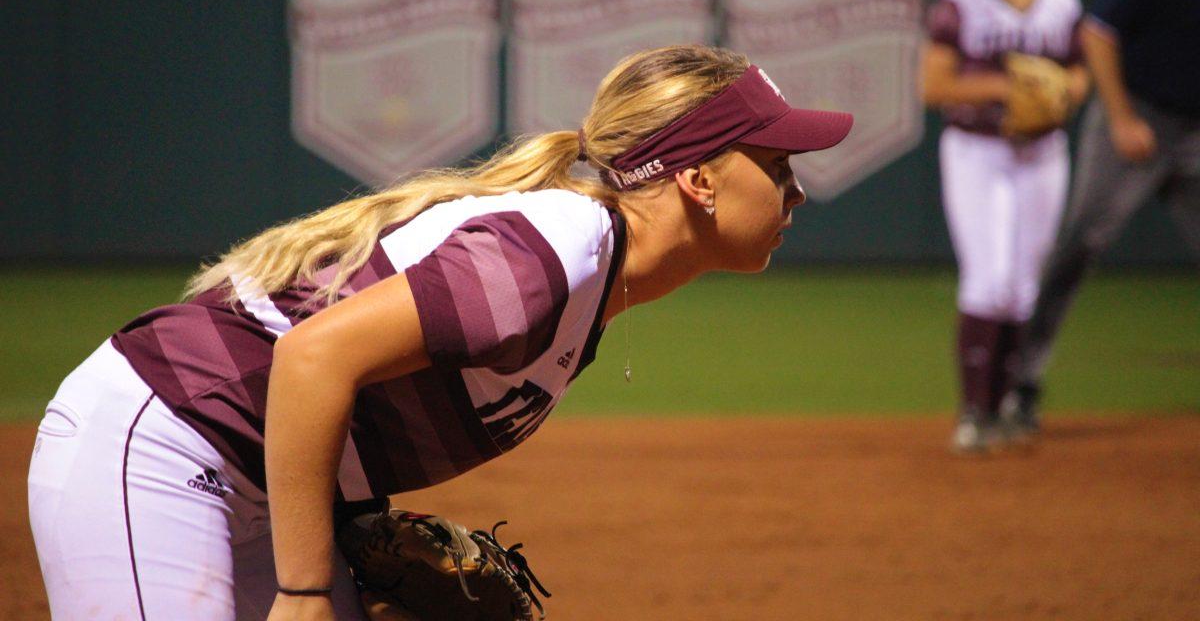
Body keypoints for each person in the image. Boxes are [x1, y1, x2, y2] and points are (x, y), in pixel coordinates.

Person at [26, 44, 853, 620]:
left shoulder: (588, 277)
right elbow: (314, 357)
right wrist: (310, 590)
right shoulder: (550, 256)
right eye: (776, 166)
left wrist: (352, 543)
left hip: (256, 483)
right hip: (164, 447)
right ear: (700, 180)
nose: (796, 192)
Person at [1005, 0, 1200, 434]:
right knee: (1081, 244)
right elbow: (1098, 33)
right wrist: (1120, 118)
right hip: (1136, 117)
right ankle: (1020, 381)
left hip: (1195, 131)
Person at [921, 0, 1090, 453]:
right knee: (988, 278)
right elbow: (934, 85)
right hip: (978, 153)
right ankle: (974, 413)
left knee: (1022, 287)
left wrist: (1062, 91)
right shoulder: (960, 0)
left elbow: (1079, 74)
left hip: (1042, 154)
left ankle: (1011, 405)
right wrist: (1007, 85)